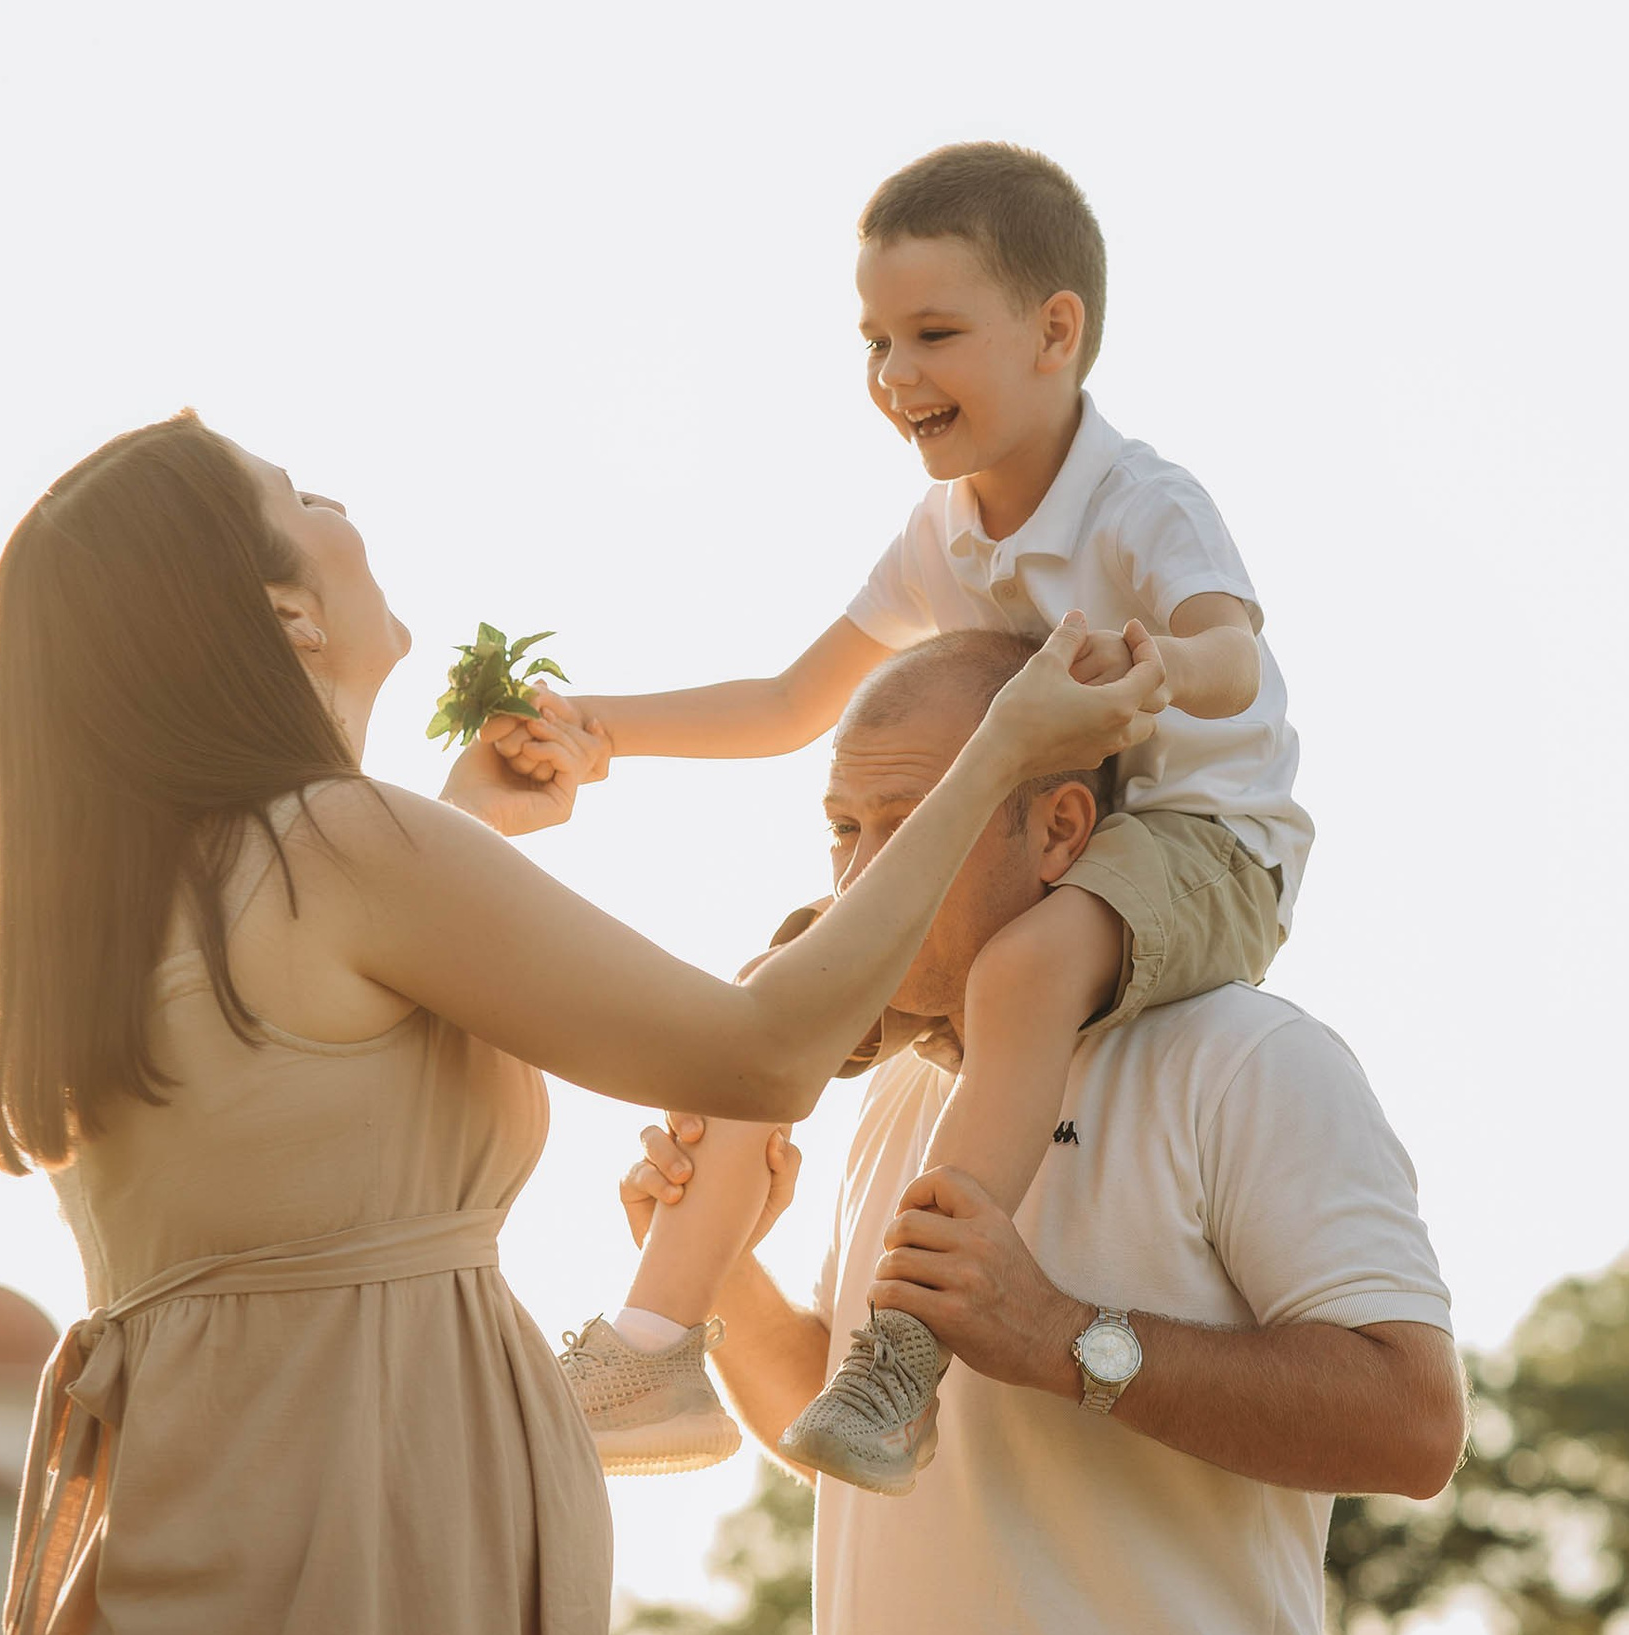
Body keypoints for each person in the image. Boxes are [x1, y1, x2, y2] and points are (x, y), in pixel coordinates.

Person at [0, 412, 1161, 1635]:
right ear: (289, 617)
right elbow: (764, 1052)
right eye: (303, 496)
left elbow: (323, 1062)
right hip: (350, 1555)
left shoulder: (169, 898)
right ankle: (651, 1352)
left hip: (233, 1523)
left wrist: (467, 818)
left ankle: (651, 1348)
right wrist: (1001, 747)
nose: (341, 507)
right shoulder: (337, 846)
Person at [543, 141, 1313, 1496]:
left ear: (1054, 331)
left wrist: (1151, 669)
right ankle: (651, 1343)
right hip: (1009, 841)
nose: (897, 377)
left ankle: (900, 1361)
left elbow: (1233, 657)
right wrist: (606, 722)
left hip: (1200, 841)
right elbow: (794, 697)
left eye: (934, 334)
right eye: (875, 340)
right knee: (776, 994)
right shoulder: (940, 532)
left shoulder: (1143, 502)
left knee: (1022, 967)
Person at [616, 631, 1464, 1635]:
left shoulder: (1249, 1057)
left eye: (914, 821)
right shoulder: (902, 1089)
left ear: (1061, 828)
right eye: (843, 830)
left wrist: (1062, 1340)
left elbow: (1414, 1424)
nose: (861, 875)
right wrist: (724, 1270)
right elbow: (851, 1441)